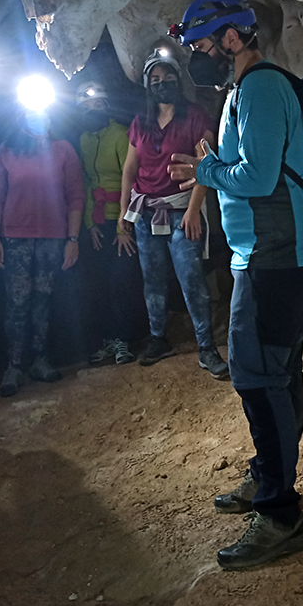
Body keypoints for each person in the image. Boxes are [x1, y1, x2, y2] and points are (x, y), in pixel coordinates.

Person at [169, 0, 303, 570]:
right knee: (275, 369)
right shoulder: (241, 89)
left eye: (201, 43)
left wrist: (206, 169)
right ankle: (271, 475)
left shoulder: (262, 86)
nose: (197, 55)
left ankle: (281, 515)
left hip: (279, 253)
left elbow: (261, 176)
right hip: (268, 250)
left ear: (232, 38)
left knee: (256, 372)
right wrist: (213, 166)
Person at [118, 50, 229, 379]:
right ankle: (158, 338)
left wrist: (195, 210)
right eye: (155, 80)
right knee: (152, 280)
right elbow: (129, 169)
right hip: (146, 213)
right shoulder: (142, 122)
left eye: (167, 78)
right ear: (147, 86)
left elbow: (206, 163)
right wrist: (123, 215)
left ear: (178, 81)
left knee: (191, 279)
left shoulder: (194, 116)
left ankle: (207, 348)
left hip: (181, 210)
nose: (161, 84)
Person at [0, 102, 84, 397]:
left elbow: (76, 195)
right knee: (17, 302)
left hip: (52, 238)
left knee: (43, 299)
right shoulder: (7, 151)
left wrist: (73, 239)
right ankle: (14, 364)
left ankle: (39, 359)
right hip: (16, 239)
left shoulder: (63, 150)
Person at [75, 81, 143, 365]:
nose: (93, 110)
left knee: (121, 282)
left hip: (121, 221)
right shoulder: (84, 139)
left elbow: (130, 180)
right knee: (100, 282)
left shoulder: (120, 135)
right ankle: (107, 339)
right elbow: (89, 182)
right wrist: (90, 224)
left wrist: (123, 226)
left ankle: (124, 339)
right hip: (99, 221)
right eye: (87, 107)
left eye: (98, 105)